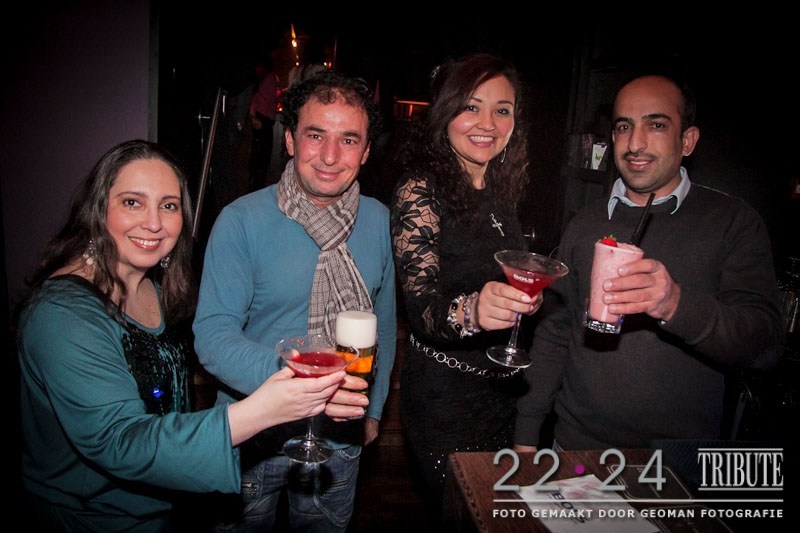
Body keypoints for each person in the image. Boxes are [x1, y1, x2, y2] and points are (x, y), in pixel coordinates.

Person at [14, 139, 350, 531]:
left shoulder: (153, 289)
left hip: (159, 504)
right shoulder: (62, 314)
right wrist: (261, 410)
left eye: (169, 206)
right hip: (91, 517)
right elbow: (120, 442)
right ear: (97, 209)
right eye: (132, 202)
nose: (154, 223)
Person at [514, 74, 786, 453]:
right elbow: (556, 334)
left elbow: (766, 348)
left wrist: (675, 305)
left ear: (687, 140)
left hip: (676, 463)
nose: (635, 143)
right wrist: (526, 437)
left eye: (656, 125)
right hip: (575, 449)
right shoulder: (586, 223)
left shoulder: (732, 222)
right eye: (624, 127)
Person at [193, 70, 396, 532]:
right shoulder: (240, 221)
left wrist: (374, 409)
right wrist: (305, 381)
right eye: (315, 135)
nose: (330, 156)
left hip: (339, 435)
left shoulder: (380, 221)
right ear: (289, 140)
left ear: (366, 151)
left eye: (348, 140)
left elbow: (382, 324)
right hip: (253, 432)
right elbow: (213, 336)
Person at [386, 52, 542, 514]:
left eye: (502, 110)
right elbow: (422, 309)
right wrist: (473, 310)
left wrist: (525, 301)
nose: (487, 123)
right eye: (471, 106)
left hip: (503, 395)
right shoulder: (420, 189)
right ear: (445, 112)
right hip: (445, 400)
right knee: (467, 514)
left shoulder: (501, 189)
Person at [248, 56, 281, 190]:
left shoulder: (268, 77)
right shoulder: (267, 78)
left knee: (261, 156)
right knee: (261, 156)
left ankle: (256, 184)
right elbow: (256, 97)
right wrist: (253, 116)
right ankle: (256, 185)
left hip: (264, 118)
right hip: (263, 118)